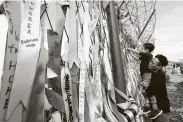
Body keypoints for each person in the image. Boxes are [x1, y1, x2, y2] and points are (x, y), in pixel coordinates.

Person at [127, 43, 162, 119]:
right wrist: (129, 53)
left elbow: (138, 52)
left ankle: (156, 110)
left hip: (147, 75)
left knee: (149, 91)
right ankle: (147, 107)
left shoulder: (149, 55)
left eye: (143, 49)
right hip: (144, 75)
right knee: (144, 91)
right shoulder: (145, 57)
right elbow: (137, 58)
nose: (141, 50)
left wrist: (129, 49)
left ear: (147, 50)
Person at [146, 54, 170, 121]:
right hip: (158, 109)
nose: (149, 63)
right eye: (151, 61)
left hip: (161, 110)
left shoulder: (159, 75)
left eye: (152, 63)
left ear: (159, 66)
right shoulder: (155, 73)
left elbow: (150, 91)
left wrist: (145, 87)